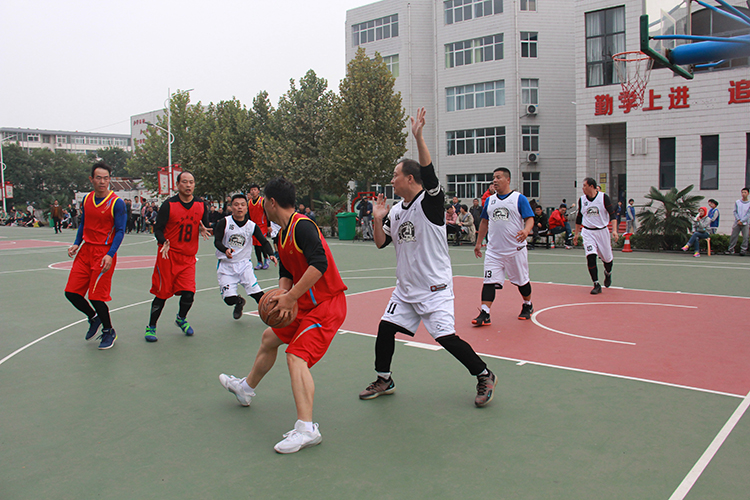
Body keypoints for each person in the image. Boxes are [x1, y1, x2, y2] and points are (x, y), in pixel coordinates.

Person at [359, 107, 496, 408]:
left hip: (434, 288)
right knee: (385, 328)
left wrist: (418, 137)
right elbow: (381, 243)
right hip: (406, 288)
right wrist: (378, 219)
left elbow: (430, 175)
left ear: (410, 178)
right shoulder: (396, 210)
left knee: (446, 338)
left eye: (395, 176)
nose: (391, 181)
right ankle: (384, 378)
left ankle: (484, 374)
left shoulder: (430, 203)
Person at [218, 177, 348, 454]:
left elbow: (319, 264)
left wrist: (290, 297)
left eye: (263, 201)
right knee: (269, 338)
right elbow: (287, 270)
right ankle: (245, 389)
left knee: (296, 356)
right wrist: (282, 295)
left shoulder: (303, 226)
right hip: (304, 304)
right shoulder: (281, 234)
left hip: (326, 306)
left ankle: (307, 429)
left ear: (271, 202)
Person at [64, 162, 126, 350]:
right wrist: (77, 242)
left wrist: (110, 254)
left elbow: (120, 231)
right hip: (85, 251)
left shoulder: (116, 203)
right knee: (71, 293)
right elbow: (84, 223)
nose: (102, 181)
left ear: (109, 179)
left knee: (96, 296)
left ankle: (108, 330)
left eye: (106, 178)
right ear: (91, 179)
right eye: (98, 178)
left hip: (103, 253)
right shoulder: (87, 199)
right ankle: (93, 317)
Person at [144, 171, 211, 342]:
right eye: (185, 182)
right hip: (168, 256)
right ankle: (151, 326)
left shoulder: (201, 205)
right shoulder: (169, 205)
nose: (188, 185)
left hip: (188, 258)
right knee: (162, 294)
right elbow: (158, 229)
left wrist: (203, 228)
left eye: (191, 182)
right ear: (177, 184)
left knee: (189, 293)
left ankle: (181, 318)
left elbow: (204, 223)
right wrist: (163, 240)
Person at [472, 167, 534, 327]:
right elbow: (484, 222)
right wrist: (478, 243)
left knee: (522, 282)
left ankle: (527, 304)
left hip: (515, 250)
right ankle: (485, 312)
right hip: (494, 251)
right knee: (489, 281)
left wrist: (526, 230)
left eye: (498, 177)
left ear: (508, 179)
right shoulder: (490, 201)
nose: (495, 180)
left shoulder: (519, 199)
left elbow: (530, 218)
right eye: (494, 177)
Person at [214, 193, 276, 320]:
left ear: (246, 208)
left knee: (257, 294)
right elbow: (217, 241)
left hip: (244, 265)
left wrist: (271, 254)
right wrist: (225, 250)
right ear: (231, 207)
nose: (239, 207)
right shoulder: (224, 222)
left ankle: (272, 314)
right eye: (236, 205)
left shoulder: (251, 226)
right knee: (229, 299)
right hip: (226, 265)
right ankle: (239, 302)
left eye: (242, 205)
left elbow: (263, 241)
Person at [573, 178, 618, 294]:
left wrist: (614, 230)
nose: (583, 188)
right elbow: (579, 217)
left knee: (608, 260)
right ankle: (596, 284)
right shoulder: (582, 200)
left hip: (602, 231)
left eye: (585, 185)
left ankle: (608, 273)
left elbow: (612, 215)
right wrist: (576, 234)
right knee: (591, 256)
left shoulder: (603, 198)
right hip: (588, 232)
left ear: (591, 186)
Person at [248, 183, 271, 270]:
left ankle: (266, 258)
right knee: (256, 245)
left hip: (262, 226)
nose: (253, 191)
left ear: (258, 191)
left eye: (255, 190)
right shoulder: (249, 202)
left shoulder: (262, 201)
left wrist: (269, 225)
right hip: (253, 226)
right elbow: (248, 215)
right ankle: (259, 262)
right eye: (252, 190)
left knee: (261, 243)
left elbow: (267, 213)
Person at [725, 188, 749, 256]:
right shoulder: (737, 202)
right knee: (734, 236)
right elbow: (735, 211)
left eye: (745, 192)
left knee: (745, 237)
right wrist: (738, 220)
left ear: (748, 193)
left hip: (745, 223)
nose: (743, 194)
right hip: (737, 222)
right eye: (742, 192)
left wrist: (742, 221)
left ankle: (743, 250)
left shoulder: (749, 203)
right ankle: (731, 249)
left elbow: (748, 214)